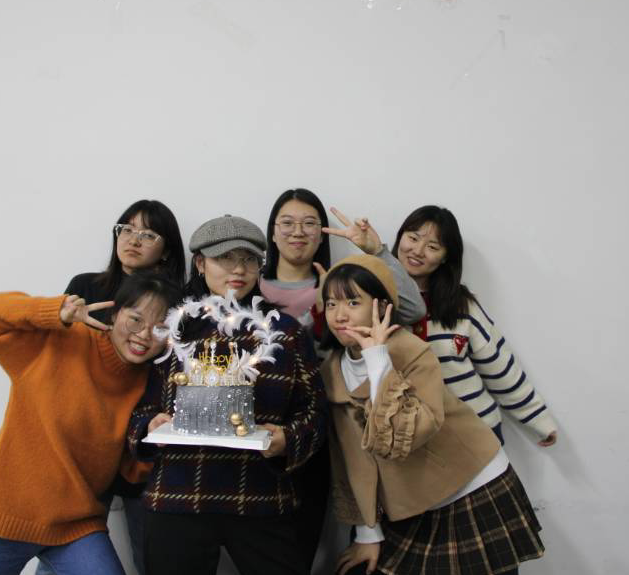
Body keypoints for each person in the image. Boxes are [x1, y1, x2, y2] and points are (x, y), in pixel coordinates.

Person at [319, 255, 544, 575]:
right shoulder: (331, 371)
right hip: (411, 498)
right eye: (331, 304)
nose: (340, 315)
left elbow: (408, 433)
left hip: (471, 484)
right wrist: (369, 533)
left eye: (353, 302)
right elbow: (353, 460)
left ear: (381, 307)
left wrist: (376, 357)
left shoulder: (411, 351)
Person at [127, 214, 326, 575]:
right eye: (225, 258)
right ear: (200, 263)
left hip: (261, 495)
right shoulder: (172, 328)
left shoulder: (286, 333)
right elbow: (138, 409)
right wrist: (149, 426)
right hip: (178, 494)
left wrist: (288, 439)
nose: (239, 269)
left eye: (249, 258)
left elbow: (315, 414)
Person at [0, 272, 182, 575]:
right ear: (115, 313)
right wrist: (54, 310)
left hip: (76, 525)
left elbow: (130, 469)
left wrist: (152, 440)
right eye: (135, 319)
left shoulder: (152, 383)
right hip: (3, 515)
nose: (144, 335)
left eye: (161, 327)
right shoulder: (63, 341)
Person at [260, 188, 428, 571]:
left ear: (322, 233)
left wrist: (376, 251)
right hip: (262, 431)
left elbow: (412, 309)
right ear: (272, 231)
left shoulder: (340, 285)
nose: (297, 232)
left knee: (306, 542)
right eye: (287, 223)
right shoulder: (252, 286)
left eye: (309, 223)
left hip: (328, 427)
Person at [35, 199, 185, 575]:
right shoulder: (85, 287)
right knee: (63, 553)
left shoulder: (178, 303)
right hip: (87, 440)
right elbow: (57, 358)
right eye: (126, 229)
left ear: (167, 250)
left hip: (142, 441)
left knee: (153, 558)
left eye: (147, 234)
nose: (133, 240)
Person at [392, 205, 557, 447]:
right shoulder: (373, 298)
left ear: (445, 257)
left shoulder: (460, 305)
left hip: (476, 431)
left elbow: (498, 365)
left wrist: (538, 420)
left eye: (433, 247)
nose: (417, 251)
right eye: (413, 238)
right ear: (400, 238)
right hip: (415, 441)